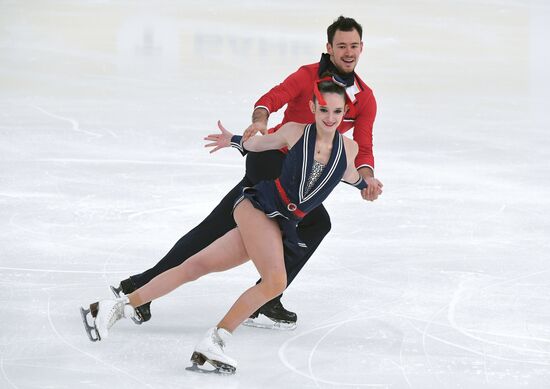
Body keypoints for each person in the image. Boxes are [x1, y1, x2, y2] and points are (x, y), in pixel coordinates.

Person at [81, 80, 375, 374]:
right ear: (313, 107)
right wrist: (234, 140)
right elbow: (259, 144)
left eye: (337, 111)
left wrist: (367, 184)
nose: (329, 116)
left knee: (195, 266)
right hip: (258, 208)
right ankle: (215, 342)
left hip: (280, 222)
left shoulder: (349, 148)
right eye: (323, 108)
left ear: (345, 112)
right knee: (275, 282)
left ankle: (112, 308)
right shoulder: (295, 132)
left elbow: (348, 174)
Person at [110, 15, 383, 330]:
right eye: (341, 46)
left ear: (361, 47)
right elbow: (270, 100)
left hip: (292, 174)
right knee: (315, 223)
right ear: (329, 48)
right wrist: (260, 121)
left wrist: (368, 176)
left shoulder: (365, 98)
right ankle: (267, 293)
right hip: (271, 161)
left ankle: (138, 287)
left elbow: (363, 148)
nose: (348, 52)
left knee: (219, 226)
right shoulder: (307, 76)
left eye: (353, 46)